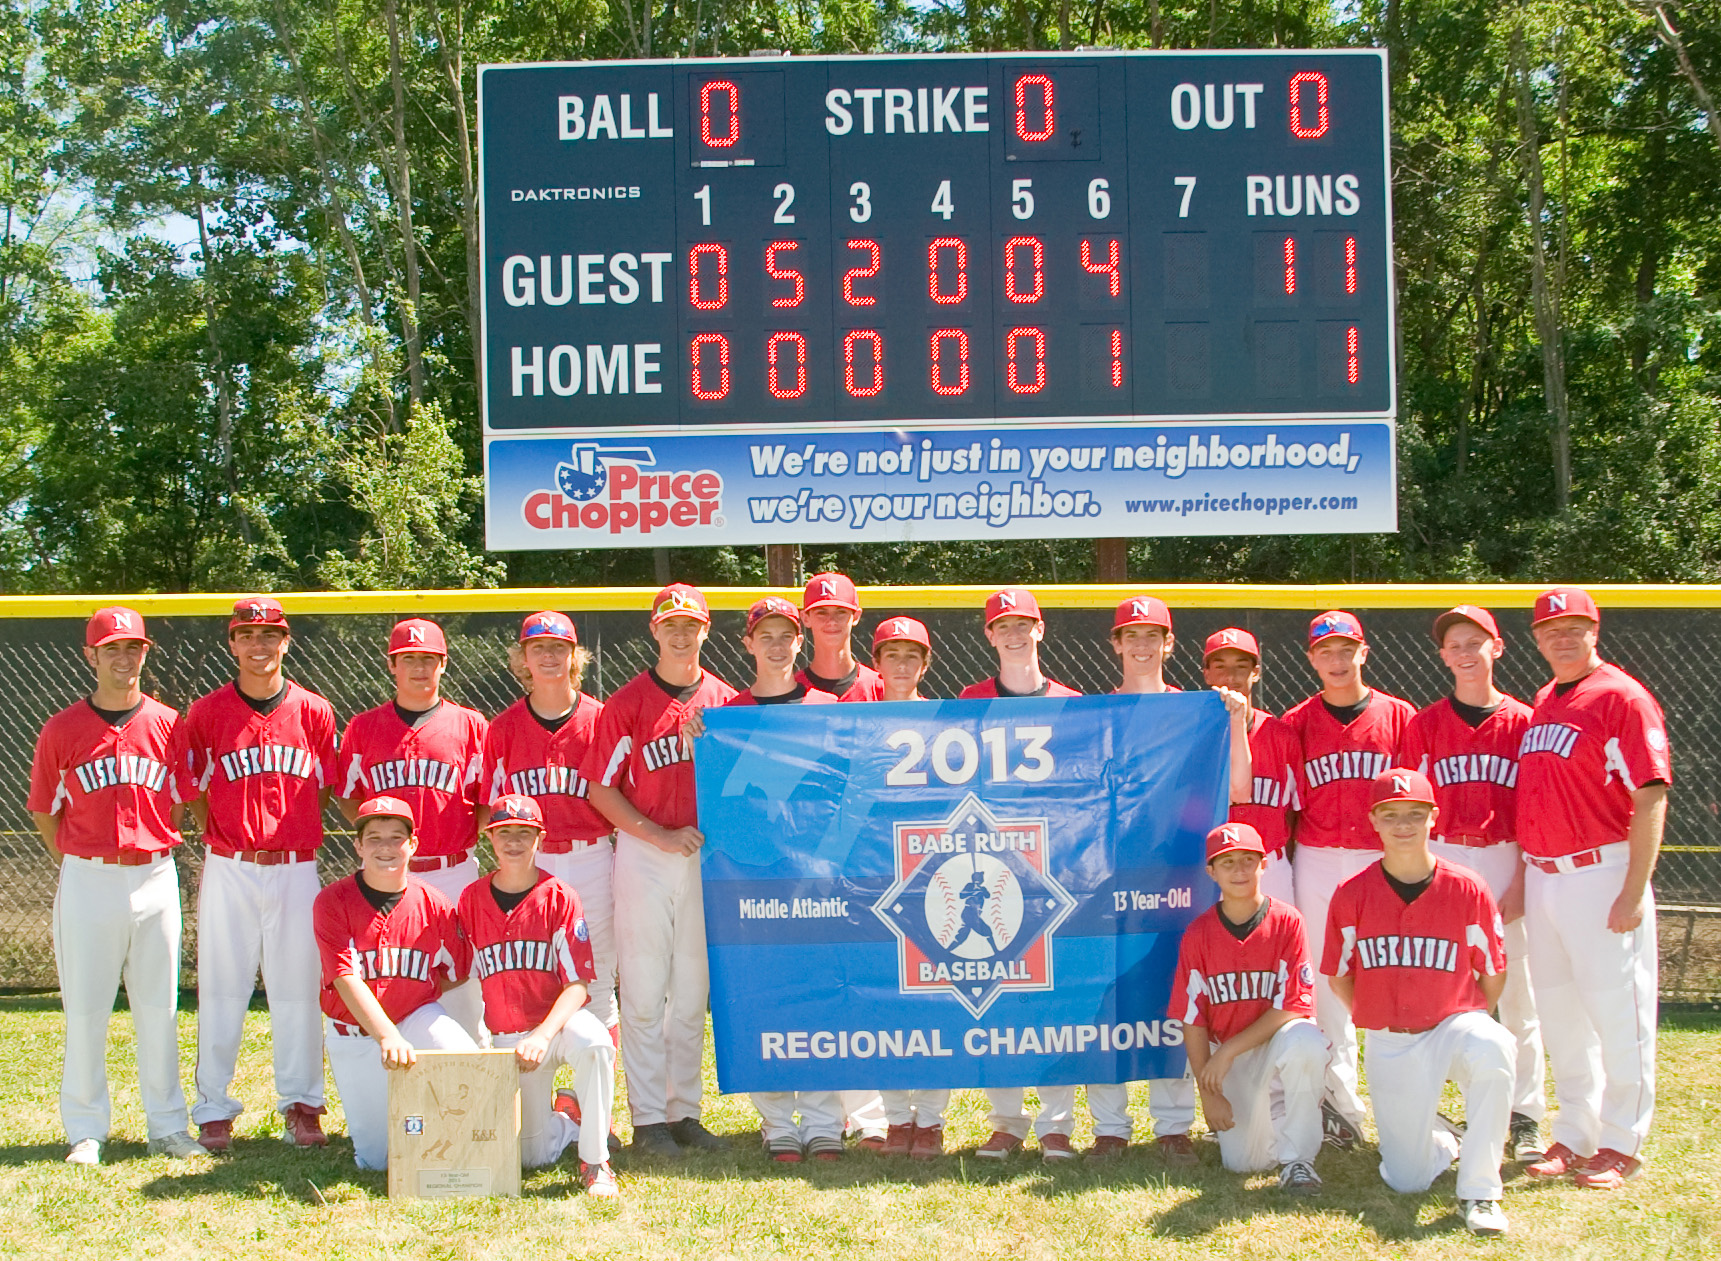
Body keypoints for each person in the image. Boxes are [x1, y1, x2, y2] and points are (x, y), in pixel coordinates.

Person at [27, 607, 203, 1164]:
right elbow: (43, 810)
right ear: (91, 656)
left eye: (133, 648)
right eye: (111, 649)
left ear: (145, 653)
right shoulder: (62, 728)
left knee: (161, 1005)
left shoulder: (170, 724)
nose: (123, 658)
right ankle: (86, 1128)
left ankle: (168, 1127)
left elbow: (186, 798)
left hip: (155, 873)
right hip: (89, 877)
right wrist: (80, 860)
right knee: (85, 1006)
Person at [171, 597, 339, 1152]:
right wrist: (218, 832)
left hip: (295, 867)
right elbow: (192, 788)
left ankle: (302, 1106)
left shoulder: (314, 711)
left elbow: (327, 786)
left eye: (271, 635)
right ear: (233, 643)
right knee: (222, 988)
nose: (260, 645)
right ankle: (214, 1110)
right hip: (231, 866)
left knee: (297, 990)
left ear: (286, 642)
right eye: (249, 635)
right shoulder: (206, 713)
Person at [1516, 587, 1669, 1191]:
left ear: (1594, 629)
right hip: (1545, 876)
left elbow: (1650, 793)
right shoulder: (1546, 699)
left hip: (1602, 870)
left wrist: (1633, 890)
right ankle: (1575, 1132)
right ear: (1535, 639)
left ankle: (1622, 1140)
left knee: (1618, 1011)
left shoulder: (1623, 698)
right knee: (1561, 1015)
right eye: (1550, 629)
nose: (1561, 637)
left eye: (1573, 627)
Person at [1322, 769, 1515, 1237]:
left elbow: (1493, 971)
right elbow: (1338, 976)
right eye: (1391, 815)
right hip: (1390, 1038)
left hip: (1454, 1022)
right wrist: (1377, 1012)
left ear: (1433, 817)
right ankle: (1445, 1137)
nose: (1402, 825)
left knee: (1494, 1048)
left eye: (1414, 814)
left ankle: (1481, 1192)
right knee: (1405, 1179)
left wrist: (1471, 1017)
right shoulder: (1352, 894)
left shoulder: (1468, 887)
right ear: (1374, 820)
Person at [582, 584, 736, 1158]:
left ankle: (684, 1111)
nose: (679, 633)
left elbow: (744, 784)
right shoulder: (627, 704)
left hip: (703, 854)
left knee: (692, 991)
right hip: (646, 852)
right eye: (669, 623)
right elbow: (601, 790)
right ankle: (647, 1118)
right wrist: (657, 835)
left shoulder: (727, 701)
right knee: (645, 990)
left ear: (704, 630)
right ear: (654, 631)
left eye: (689, 624)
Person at [1100, 596, 1253, 1165]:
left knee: (1179, 990)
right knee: (1107, 991)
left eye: (1152, 635)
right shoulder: (1097, 711)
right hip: (1110, 870)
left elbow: (1239, 788)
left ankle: (1171, 1124)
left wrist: (1234, 718)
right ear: (1115, 645)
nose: (1141, 645)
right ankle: (1110, 1125)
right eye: (1130, 635)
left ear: (1169, 644)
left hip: (1181, 870)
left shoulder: (1201, 708)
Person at [1399, 605, 1544, 1161]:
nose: (1464, 653)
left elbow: (1538, 809)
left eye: (1474, 642)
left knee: (1518, 994)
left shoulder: (1526, 721)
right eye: (1454, 645)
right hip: (1445, 858)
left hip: (1508, 855)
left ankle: (1525, 1114)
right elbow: (1407, 809)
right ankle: (1447, 1107)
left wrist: (1525, 877)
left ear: (1497, 648)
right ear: (1442, 656)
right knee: (1443, 990)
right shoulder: (1425, 724)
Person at [717, 597, 847, 1160]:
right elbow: (720, 805)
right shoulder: (728, 713)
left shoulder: (829, 707)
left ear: (800, 642)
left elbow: (851, 794)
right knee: (763, 992)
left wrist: (834, 863)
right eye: (764, 635)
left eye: (785, 635)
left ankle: (822, 1119)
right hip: (754, 880)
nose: (775, 645)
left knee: (819, 991)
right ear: (747, 643)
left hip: (816, 877)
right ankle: (775, 1118)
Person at [1280, 610, 1415, 1150]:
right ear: (1311, 659)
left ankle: (1405, 1108)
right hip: (1314, 856)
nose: (1336, 661)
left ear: (1364, 652)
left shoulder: (1400, 717)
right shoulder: (1296, 722)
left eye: (1345, 649)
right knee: (1326, 983)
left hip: (1376, 858)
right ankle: (1343, 1110)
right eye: (1325, 652)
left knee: (1387, 979)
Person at [959, 587, 1083, 1161]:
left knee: (1052, 993)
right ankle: (1006, 1120)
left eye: (1023, 623)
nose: (1013, 633)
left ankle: (1057, 1122)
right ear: (989, 635)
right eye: (1002, 625)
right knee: (994, 995)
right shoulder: (968, 700)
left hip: (1050, 865)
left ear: (1041, 629)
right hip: (992, 859)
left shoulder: (1073, 702)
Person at [458, 793, 618, 1198]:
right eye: (504, 832)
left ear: (540, 839)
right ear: (489, 839)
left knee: (597, 1043)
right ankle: (568, 1122)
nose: (514, 841)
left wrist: (544, 1035)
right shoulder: (471, 899)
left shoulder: (560, 895)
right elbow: (463, 974)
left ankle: (596, 1161)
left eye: (524, 833)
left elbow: (578, 984)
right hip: (510, 1037)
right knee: (533, 1158)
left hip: (556, 1027)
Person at [336, 618, 488, 1042]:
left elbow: (486, 800)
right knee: (391, 982)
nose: (419, 668)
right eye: (409, 659)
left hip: (453, 870)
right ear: (392, 665)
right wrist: (380, 845)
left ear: (443, 665)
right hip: (387, 875)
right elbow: (349, 795)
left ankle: (471, 1090)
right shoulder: (364, 728)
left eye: (428, 659)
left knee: (463, 987)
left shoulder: (471, 726)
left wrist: (457, 836)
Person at [312, 795, 475, 1172]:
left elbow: (458, 970)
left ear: (413, 844)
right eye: (374, 838)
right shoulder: (332, 901)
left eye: (396, 838)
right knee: (378, 1161)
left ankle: (453, 1140)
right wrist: (387, 1035)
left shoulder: (434, 902)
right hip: (353, 1029)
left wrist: (413, 997)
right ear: (358, 845)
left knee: (466, 1062)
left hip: (414, 1017)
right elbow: (344, 978)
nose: (386, 848)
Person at [480, 611, 617, 1037]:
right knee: (533, 979)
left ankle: (588, 1100)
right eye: (537, 648)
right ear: (522, 658)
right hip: (530, 866)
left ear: (575, 656)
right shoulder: (501, 729)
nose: (548, 656)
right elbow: (488, 808)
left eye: (558, 647)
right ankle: (538, 1093)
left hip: (592, 856)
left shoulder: (602, 719)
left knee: (596, 980)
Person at [1174, 822, 1327, 1194]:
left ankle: (1299, 1161)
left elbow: (1292, 1005)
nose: (1239, 870)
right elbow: (1192, 1019)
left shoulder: (1288, 921)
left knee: (1306, 1041)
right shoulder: (1198, 933)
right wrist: (1209, 1094)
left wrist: (1226, 1051)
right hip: (1235, 1060)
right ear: (1211, 872)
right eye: (1227, 863)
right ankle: (1277, 1116)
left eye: (1248, 860)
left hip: (1277, 1042)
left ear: (1263, 865)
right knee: (1244, 1163)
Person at [866, 616, 953, 1159]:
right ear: (875, 663)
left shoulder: (948, 722)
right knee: (887, 999)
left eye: (911, 656)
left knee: (936, 998)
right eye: (891, 654)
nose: (901, 665)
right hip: (877, 872)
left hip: (934, 872)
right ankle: (898, 1118)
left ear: (925, 665)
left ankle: (934, 1118)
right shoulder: (856, 721)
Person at [1202, 628, 1303, 905]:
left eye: (1241, 667)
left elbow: (1294, 813)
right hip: (1211, 869)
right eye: (1220, 667)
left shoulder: (1281, 735)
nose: (1231, 678)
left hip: (1271, 864)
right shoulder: (1192, 734)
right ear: (1206, 673)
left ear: (1256, 672)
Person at [796, 571, 885, 701]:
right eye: (822, 612)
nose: (831, 621)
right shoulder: (792, 691)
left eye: (841, 612)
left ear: (856, 617)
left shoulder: (879, 688)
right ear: (805, 618)